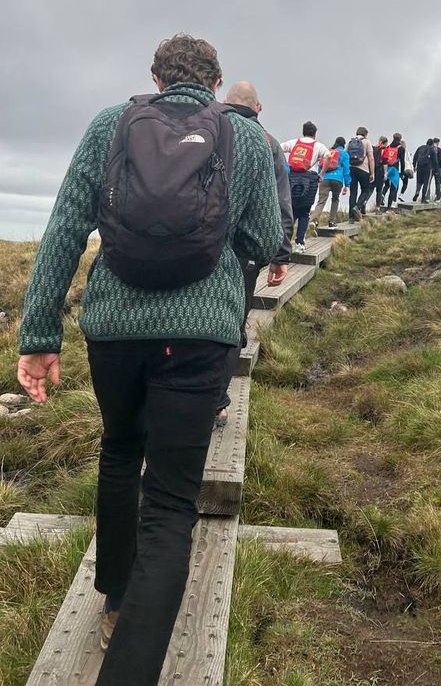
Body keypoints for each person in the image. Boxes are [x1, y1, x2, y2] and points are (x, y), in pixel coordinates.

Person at [17, 35, 282, 686]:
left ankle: (111, 594)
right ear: (215, 82)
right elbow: (265, 237)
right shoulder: (244, 138)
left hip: (113, 328)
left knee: (117, 449)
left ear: (156, 78)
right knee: (169, 502)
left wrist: (38, 334)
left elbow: (65, 227)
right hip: (199, 336)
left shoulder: (111, 123)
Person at [215, 80, 294, 427]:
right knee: (233, 323)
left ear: (223, 101)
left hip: (196, 245)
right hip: (244, 252)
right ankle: (217, 400)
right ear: (258, 108)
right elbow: (280, 203)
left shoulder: (204, 126)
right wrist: (280, 255)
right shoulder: (268, 143)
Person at [281, 122, 329, 253]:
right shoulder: (318, 146)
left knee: (290, 211)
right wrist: (322, 174)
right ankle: (299, 243)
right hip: (309, 179)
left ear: (303, 131)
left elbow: (279, 148)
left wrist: (284, 167)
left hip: (292, 178)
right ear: (314, 133)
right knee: (304, 213)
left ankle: (284, 244)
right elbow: (329, 156)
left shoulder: (294, 142)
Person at [311, 136, 351, 228]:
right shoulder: (344, 154)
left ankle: (314, 221)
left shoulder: (328, 152)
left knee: (321, 201)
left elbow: (321, 165)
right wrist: (347, 184)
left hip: (325, 178)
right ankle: (331, 222)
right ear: (343, 145)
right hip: (338, 179)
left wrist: (319, 177)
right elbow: (346, 170)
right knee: (335, 199)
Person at [347, 126, 376, 221]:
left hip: (352, 169)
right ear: (365, 134)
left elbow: (346, 156)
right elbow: (371, 158)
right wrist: (372, 173)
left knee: (353, 193)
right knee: (366, 190)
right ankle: (358, 207)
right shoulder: (367, 142)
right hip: (363, 170)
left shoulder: (350, 141)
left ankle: (351, 217)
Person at [380, 133, 405, 209]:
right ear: (400, 139)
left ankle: (383, 194)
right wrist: (402, 173)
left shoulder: (388, 147)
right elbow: (402, 162)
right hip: (394, 169)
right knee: (393, 188)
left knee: (386, 185)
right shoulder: (401, 148)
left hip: (387, 169)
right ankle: (389, 206)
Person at [412, 139, 434, 203]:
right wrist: (435, 169)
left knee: (419, 181)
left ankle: (417, 191)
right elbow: (435, 160)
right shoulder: (432, 150)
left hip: (419, 167)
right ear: (432, 144)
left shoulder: (420, 148)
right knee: (426, 183)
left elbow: (415, 157)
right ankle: (423, 199)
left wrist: (414, 165)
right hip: (427, 168)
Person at [372, 135, 388, 210]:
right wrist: (385, 173)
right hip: (380, 171)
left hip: (372, 170)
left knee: (370, 189)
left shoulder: (373, 148)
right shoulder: (385, 150)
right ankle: (378, 207)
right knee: (379, 190)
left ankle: (364, 202)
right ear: (384, 143)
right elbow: (385, 163)